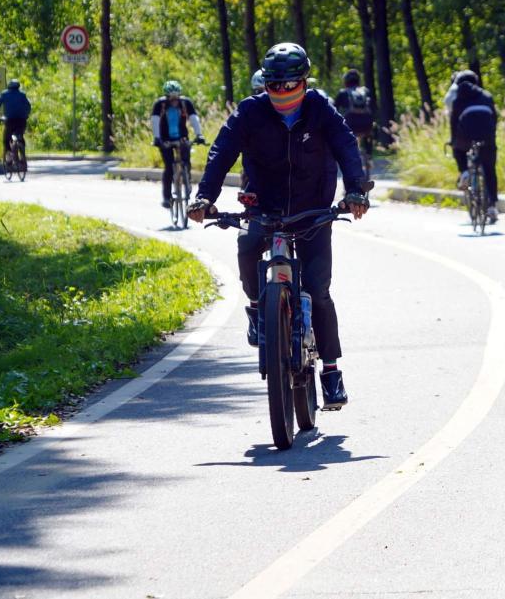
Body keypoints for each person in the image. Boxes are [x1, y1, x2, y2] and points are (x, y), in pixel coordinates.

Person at [187, 43, 369, 409]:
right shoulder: (250, 112)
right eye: (274, 85)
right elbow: (221, 152)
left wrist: (355, 190)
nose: (282, 92)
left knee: (318, 290)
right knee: (247, 245)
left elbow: (346, 146)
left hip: (313, 210)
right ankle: (258, 309)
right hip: (264, 206)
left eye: (290, 85)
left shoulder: (320, 108)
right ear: (265, 84)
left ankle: (331, 371)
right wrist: (205, 197)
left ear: (304, 82)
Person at [448, 70, 499, 223]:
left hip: (466, 132)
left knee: (458, 148)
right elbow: (494, 118)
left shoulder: (458, 98)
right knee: (489, 169)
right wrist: (491, 137)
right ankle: (492, 206)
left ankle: (464, 172)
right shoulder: (486, 96)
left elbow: (454, 122)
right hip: (486, 132)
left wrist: (453, 140)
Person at [151, 80, 205, 208]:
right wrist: (157, 138)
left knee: (186, 161)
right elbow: (155, 121)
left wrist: (199, 135)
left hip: (182, 138)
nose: (174, 101)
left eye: (176, 97)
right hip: (165, 139)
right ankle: (167, 197)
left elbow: (194, 118)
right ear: (167, 97)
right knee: (169, 167)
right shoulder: (160, 104)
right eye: (172, 98)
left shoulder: (185, 103)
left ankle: (187, 181)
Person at [334, 69, 375, 167]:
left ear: (346, 81)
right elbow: (374, 108)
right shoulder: (366, 91)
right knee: (369, 135)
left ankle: (344, 156)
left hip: (350, 124)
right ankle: (369, 155)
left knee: (340, 133)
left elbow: (333, 109)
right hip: (367, 124)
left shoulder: (343, 93)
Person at [0, 79, 31, 164]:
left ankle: (9, 158)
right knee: (20, 136)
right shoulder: (22, 94)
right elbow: (28, 106)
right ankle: (22, 155)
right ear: (18, 87)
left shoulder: (4, 94)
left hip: (10, 120)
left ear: (9, 86)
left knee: (6, 139)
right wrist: (26, 115)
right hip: (22, 120)